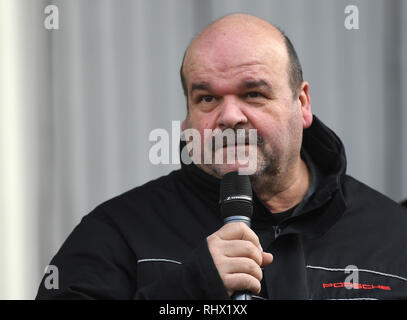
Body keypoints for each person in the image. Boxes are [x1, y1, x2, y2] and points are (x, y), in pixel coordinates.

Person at [36, 13, 407, 300]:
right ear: (186, 118)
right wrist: (189, 289)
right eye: (207, 98)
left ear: (302, 103)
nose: (230, 117)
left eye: (254, 93)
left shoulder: (391, 233)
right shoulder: (117, 233)